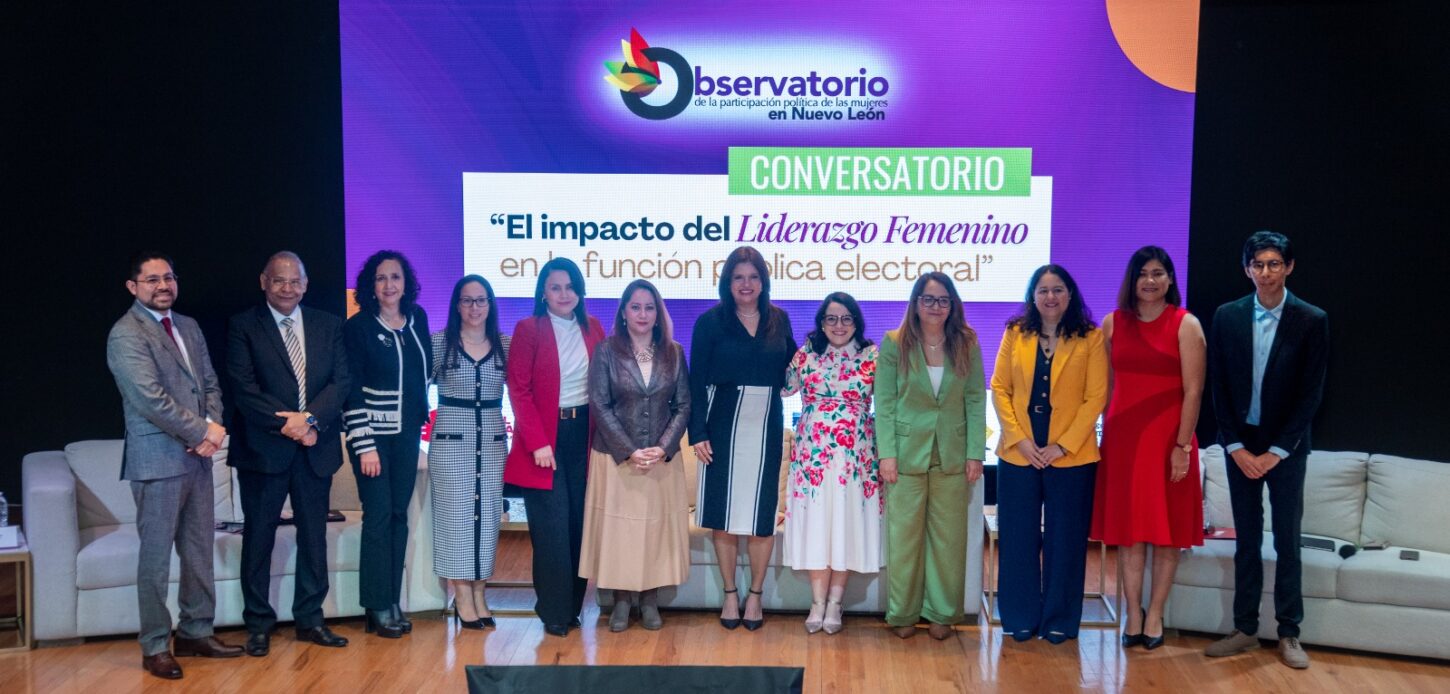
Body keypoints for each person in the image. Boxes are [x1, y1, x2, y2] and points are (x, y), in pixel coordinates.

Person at [106, 252, 242, 679]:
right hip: (157, 461)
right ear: (133, 287)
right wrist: (203, 432)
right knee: (156, 560)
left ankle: (196, 632)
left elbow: (209, 384)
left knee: (199, 551)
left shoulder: (188, 326)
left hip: (197, 459)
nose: (163, 285)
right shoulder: (126, 333)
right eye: (152, 280)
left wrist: (213, 428)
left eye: (168, 277)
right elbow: (150, 400)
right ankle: (154, 646)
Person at [1204, 231, 1328, 670]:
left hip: (1286, 449)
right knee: (1247, 541)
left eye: (1274, 264)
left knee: (1288, 541)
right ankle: (1244, 629)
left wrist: (1277, 451)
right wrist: (1236, 446)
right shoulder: (1227, 316)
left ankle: (1289, 632)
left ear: (1289, 267)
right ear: (1247, 269)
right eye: (1258, 264)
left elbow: (1311, 395)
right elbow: (1218, 386)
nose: (1266, 272)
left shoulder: (1310, 319)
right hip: (1241, 446)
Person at [225, 251, 351, 656]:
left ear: (306, 284)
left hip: (315, 447)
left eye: (295, 281)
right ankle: (258, 625)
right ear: (264, 282)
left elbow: (341, 381)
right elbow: (243, 389)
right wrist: (290, 425)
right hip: (263, 450)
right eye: (279, 280)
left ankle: (311, 620)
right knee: (259, 537)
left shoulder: (328, 324)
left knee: (314, 537)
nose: (287, 288)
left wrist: (309, 419)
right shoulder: (244, 325)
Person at [1091, 246, 1205, 651]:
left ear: (1170, 279)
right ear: (1132, 280)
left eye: (1158, 273)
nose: (1150, 281)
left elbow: (1194, 392)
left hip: (1169, 443)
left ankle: (1155, 614)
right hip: (1123, 442)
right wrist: (1097, 436)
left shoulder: (1186, 324)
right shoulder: (1112, 323)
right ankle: (1133, 615)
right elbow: (1105, 388)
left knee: (1166, 534)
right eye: (1143, 273)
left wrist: (1182, 446)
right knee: (1130, 535)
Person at [990, 265, 1108, 644]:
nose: (1050, 297)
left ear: (1070, 295)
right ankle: (1020, 616)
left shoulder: (1090, 337)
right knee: (1018, 537)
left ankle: (1059, 618)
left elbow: (1096, 397)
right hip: (1019, 451)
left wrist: (1063, 445)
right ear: (1032, 296)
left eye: (1058, 289)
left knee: (1066, 539)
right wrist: (1020, 439)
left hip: (1070, 456)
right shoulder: (1015, 332)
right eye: (1043, 290)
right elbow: (999, 388)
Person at [689, 246, 798, 631]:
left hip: (766, 423)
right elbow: (695, 381)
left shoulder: (779, 320)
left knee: (761, 518)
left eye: (753, 277)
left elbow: (795, 366)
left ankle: (755, 595)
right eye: (739, 277)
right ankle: (730, 594)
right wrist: (697, 431)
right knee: (723, 517)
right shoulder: (709, 322)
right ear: (727, 282)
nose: (746, 284)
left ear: (763, 281)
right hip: (721, 423)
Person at [875, 272, 986, 640]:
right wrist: (887, 454)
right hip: (905, 455)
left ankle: (941, 613)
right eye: (928, 299)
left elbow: (975, 399)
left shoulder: (967, 342)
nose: (935, 306)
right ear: (916, 303)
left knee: (948, 540)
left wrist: (975, 453)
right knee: (904, 539)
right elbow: (885, 403)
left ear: (952, 305)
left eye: (942, 300)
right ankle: (903, 613)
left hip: (953, 454)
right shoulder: (895, 343)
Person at [579, 279, 692, 632]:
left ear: (658, 314)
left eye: (649, 307)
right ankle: (621, 601)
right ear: (624, 313)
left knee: (654, 533)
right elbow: (599, 403)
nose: (643, 314)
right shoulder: (606, 351)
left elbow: (683, 404)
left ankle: (650, 600)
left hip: (659, 460)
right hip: (617, 459)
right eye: (636, 307)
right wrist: (629, 451)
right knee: (620, 534)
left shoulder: (674, 352)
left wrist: (663, 447)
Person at [504, 257, 606, 637]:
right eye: (556, 287)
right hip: (544, 442)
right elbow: (519, 389)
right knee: (551, 530)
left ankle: (573, 607)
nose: (564, 294)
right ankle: (553, 611)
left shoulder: (593, 327)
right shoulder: (528, 328)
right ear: (543, 293)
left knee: (578, 527)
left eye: (570, 287)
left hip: (585, 438)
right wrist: (537, 442)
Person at [781, 292, 882, 635]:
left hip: (856, 457)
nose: (839, 326)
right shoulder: (806, 353)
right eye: (831, 319)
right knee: (817, 525)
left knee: (845, 524)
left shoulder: (872, 355)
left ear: (856, 322)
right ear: (822, 323)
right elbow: (783, 388)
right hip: (813, 459)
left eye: (846, 318)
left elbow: (889, 400)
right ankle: (816, 602)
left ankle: (836, 603)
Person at [343, 250, 432, 638]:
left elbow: (422, 375)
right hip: (372, 439)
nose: (389, 284)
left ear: (405, 282)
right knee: (378, 516)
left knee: (399, 516)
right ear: (371, 285)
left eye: (395, 277)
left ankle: (392, 599)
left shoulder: (417, 319)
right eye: (381, 278)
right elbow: (350, 389)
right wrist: (364, 444)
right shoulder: (358, 327)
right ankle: (376, 605)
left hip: (407, 435)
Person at [428, 275, 509, 630]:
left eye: (481, 300)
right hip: (450, 443)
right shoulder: (438, 343)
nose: (474, 307)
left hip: (491, 443)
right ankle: (462, 594)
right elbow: (415, 388)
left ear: (490, 304)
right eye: (467, 300)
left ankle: (480, 591)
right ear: (457, 305)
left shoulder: (505, 344)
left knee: (487, 518)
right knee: (456, 518)